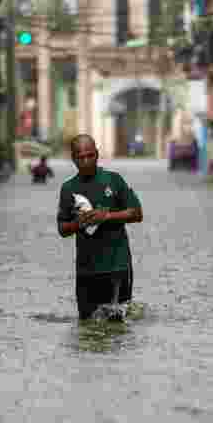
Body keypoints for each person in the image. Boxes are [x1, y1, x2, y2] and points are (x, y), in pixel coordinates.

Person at [57, 134, 143, 319]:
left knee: (117, 325)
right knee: (86, 324)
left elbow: (137, 213)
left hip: (117, 268)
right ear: (73, 159)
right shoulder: (68, 189)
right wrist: (79, 223)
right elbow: (62, 229)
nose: (86, 161)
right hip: (86, 271)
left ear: (97, 154)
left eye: (90, 156)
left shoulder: (113, 180)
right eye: (81, 157)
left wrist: (107, 216)